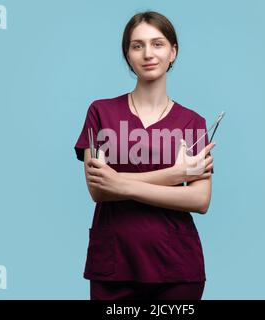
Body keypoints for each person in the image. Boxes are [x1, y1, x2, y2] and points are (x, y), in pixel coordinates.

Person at [74, 11, 215, 300]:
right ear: (127, 54)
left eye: (158, 44)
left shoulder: (192, 122)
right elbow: (98, 190)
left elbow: (199, 200)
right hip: (114, 265)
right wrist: (174, 175)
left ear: (173, 52)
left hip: (176, 267)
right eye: (137, 45)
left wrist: (120, 183)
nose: (148, 53)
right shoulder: (100, 112)